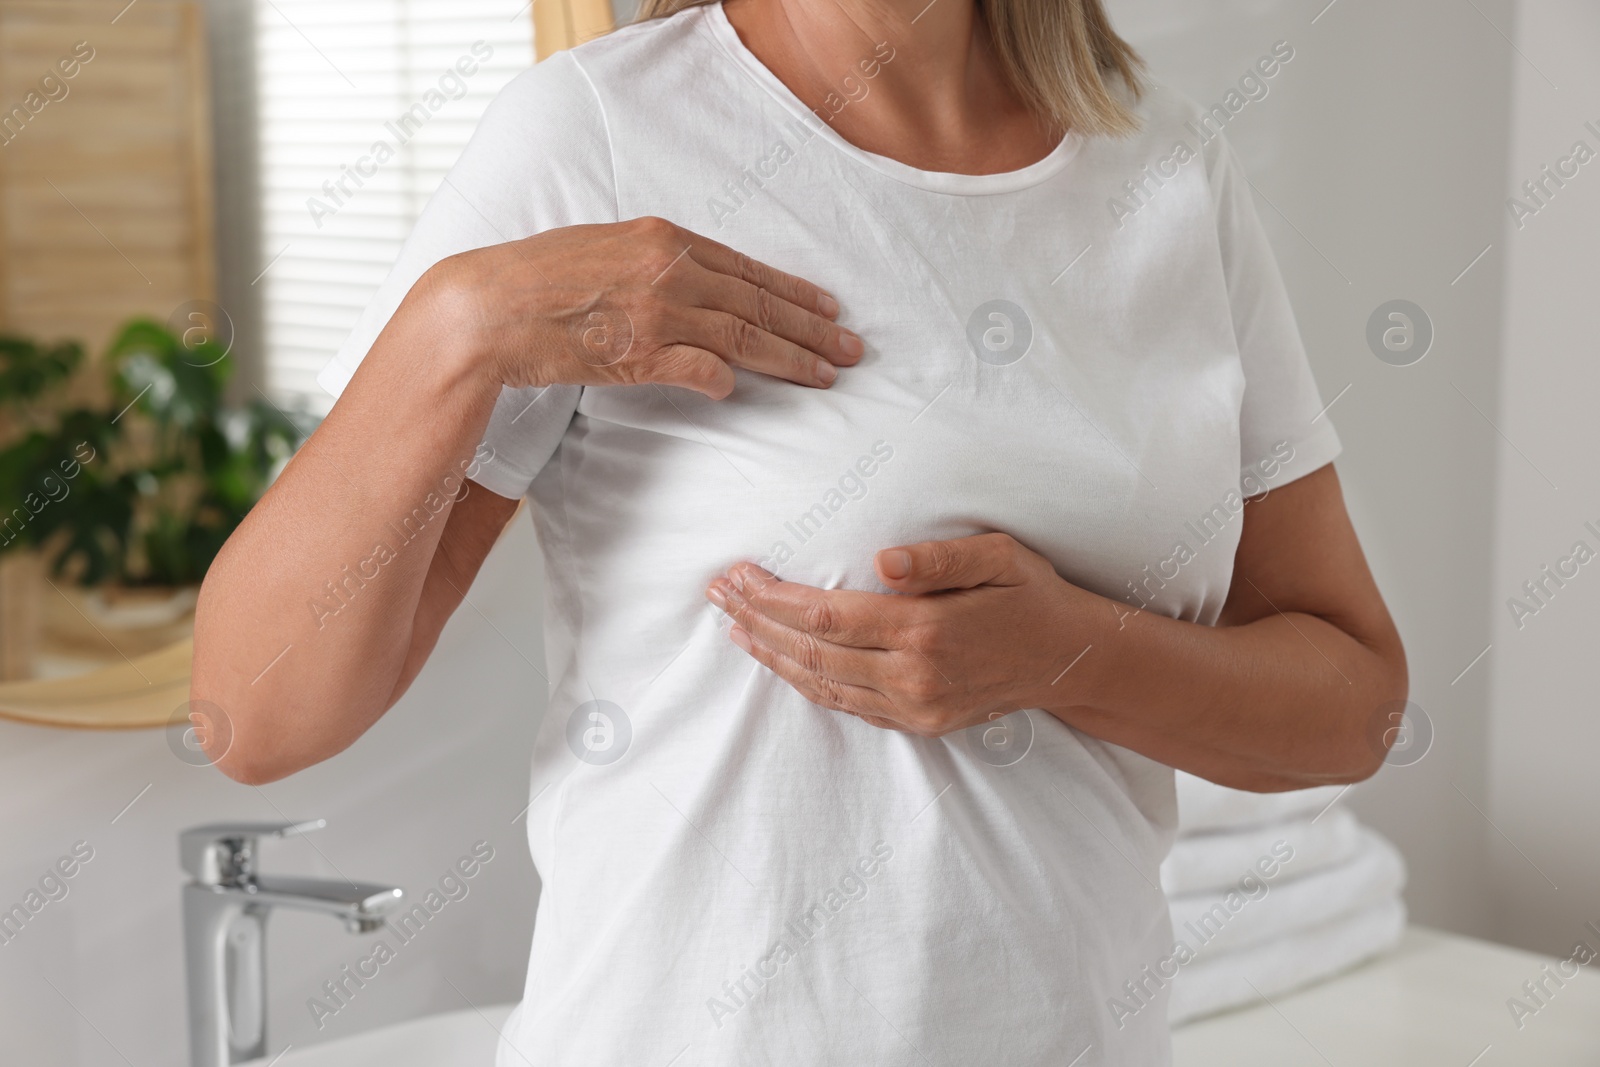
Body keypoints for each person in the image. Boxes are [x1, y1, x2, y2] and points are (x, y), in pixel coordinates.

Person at [193, 0, 1407, 1061]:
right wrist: (457, 323)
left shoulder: (1167, 165)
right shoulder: (599, 135)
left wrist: (1065, 656)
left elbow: (1353, 701)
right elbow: (254, 713)